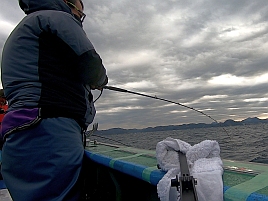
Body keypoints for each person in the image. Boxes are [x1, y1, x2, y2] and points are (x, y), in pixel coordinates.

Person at [0, 0, 108, 200]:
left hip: (18, 132)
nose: (78, 17)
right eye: (79, 11)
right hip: (49, 130)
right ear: (64, 2)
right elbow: (90, 63)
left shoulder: (23, 28)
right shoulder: (56, 17)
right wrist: (101, 80)